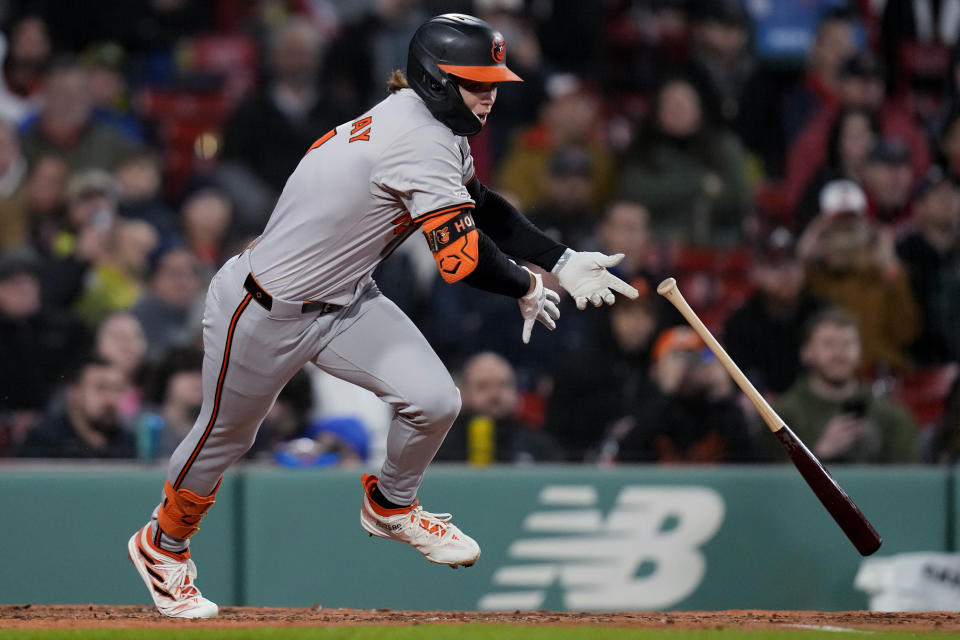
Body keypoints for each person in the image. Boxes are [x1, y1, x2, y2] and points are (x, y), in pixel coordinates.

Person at [126, 14, 637, 619]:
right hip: (264, 307)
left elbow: (480, 205)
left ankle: (392, 506)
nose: (491, 92)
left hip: (345, 300)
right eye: (476, 81)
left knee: (436, 401)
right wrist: (529, 281)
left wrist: (562, 257)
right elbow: (464, 261)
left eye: (493, 79)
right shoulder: (415, 138)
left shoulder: (431, 121)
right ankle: (162, 544)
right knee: (227, 435)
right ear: (437, 80)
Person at [773, 307, 918, 463]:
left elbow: (905, 480)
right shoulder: (781, 417)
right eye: (828, 344)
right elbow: (772, 481)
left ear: (860, 352)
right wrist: (820, 453)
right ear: (806, 353)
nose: (839, 353)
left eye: (848, 344)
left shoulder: (893, 418)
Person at [722, 227, 825, 395]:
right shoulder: (740, 322)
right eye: (775, 265)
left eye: (792, 262)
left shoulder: (822, 313)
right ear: (755, 272)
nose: (786, 274)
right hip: (763, 412)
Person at [435, 351, 561, 464]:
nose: (494, 394)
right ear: (464, 393)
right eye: (483, 386)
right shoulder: (439, 447)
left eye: (503, 384)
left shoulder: (539, 447)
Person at [18, 355, 134, 459]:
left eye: (117, 390)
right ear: (73, 393)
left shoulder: (130, 443)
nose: (111, 399)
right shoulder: (44, 442)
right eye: (101, 388)